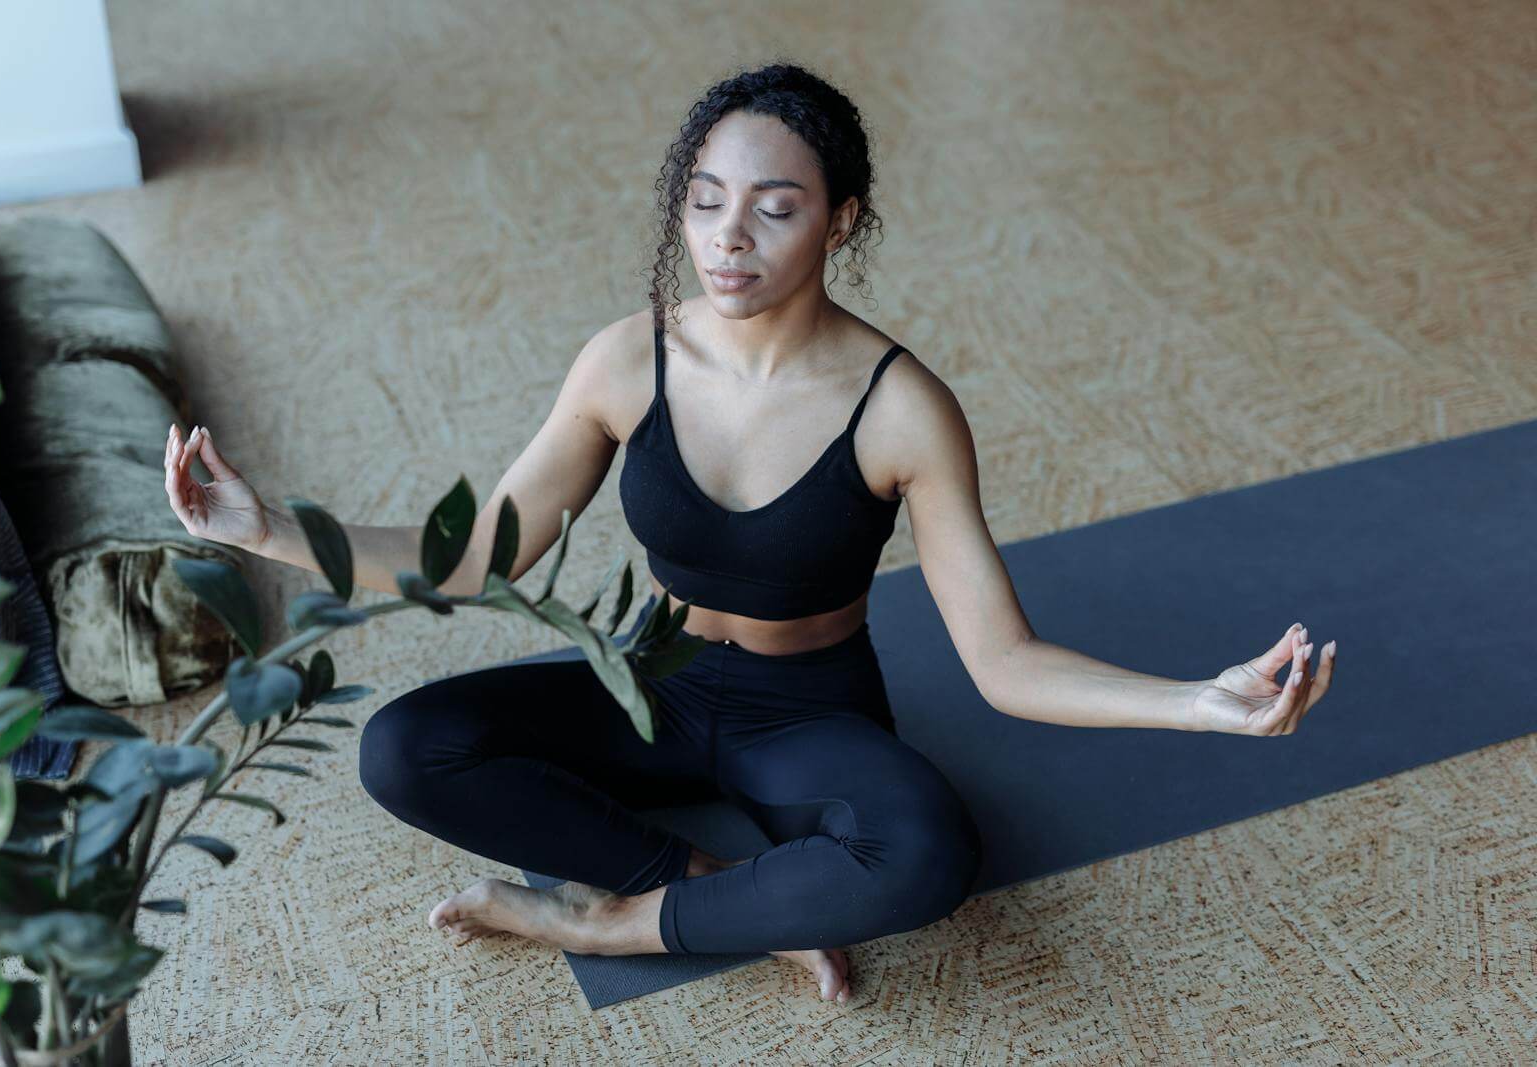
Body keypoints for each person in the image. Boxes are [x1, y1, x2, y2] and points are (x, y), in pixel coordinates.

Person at [161, 61, 1336, 1005]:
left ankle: (618, 916)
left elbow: (1003, 661)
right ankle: (716, 890)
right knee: (403, 746)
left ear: (839, 221)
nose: (729, 239)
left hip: (808, 712)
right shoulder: (628, 356)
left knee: (928, 852)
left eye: (775, 209)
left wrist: (1197, 700)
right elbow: (484, 550)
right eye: (707, 202)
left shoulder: (902, 408)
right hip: (651, 684)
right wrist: (266, 528)